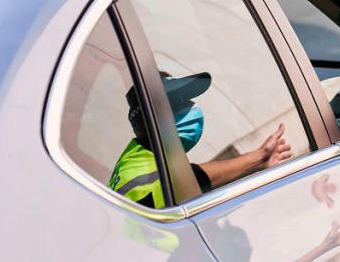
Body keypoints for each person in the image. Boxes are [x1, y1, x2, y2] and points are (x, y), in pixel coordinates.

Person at [109, 71, 292, 209]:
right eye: (177, 103)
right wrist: (259, 156)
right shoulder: (139, 171)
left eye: (187, 100)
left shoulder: (142, 157)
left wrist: (257, 165)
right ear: (146, 121)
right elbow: (190, 179)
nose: (190, 108)